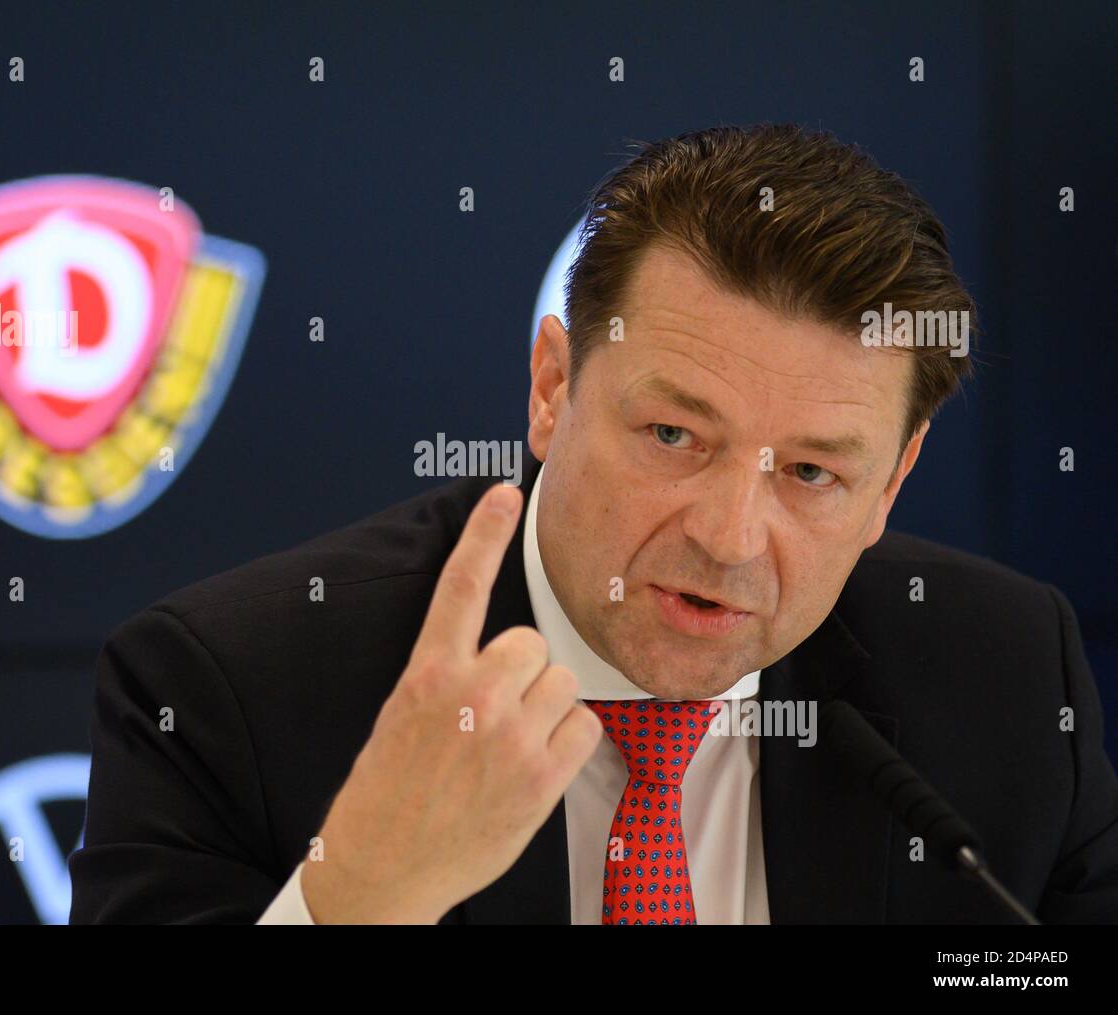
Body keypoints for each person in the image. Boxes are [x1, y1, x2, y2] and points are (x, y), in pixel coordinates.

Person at [68, 124, 1118, 924]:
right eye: (672, 434)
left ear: (893, 481)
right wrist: (360, 896)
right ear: (551, 386)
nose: (732, 538)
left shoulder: (1007, 683)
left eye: (808, 472)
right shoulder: (229, 689)